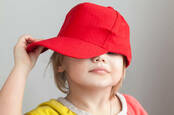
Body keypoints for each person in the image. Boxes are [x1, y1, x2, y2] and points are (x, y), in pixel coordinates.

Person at [0, 2, 148, 115]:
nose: (100, 57)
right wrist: (22, 68)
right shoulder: (50, 113)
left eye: (111, 52)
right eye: (87, 50)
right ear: (61, 62)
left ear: (123, 65)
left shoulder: (132, 107)